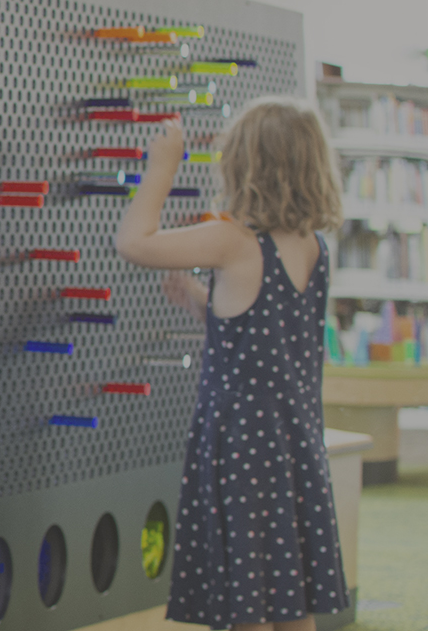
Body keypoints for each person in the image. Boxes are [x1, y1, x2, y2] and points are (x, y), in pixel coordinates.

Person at [113, 98, 348, 631]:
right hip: (294, 443)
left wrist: (163, 167)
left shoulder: (233, 240)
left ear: (246, 166)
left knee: (246, 603)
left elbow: (133, 242)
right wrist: (200, 298)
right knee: (289, 600)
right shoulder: (311, 245)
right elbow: (262, 333)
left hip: (243, 446)